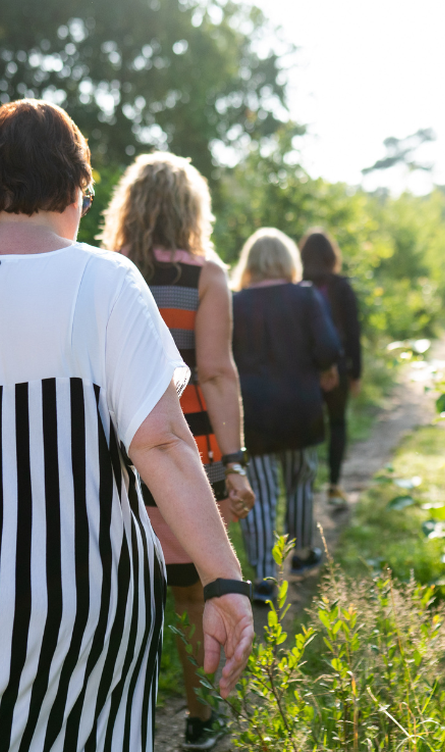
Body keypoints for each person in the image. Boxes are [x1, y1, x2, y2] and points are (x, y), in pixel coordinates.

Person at [0, 100, 254, 752]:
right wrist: (224, 581)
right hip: (90, 594)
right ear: (74, 185)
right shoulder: (106, 279)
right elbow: (161, 442)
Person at [100, 151, 254, 750]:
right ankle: (199, 719)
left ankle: (116, 724)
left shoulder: (105, 270)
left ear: (130, 206)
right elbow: (214, 372)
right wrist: (235, 464)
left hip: (115, 456)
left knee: (120, 597)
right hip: (190, 456)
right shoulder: (206, 277)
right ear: (192, 209)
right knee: (193, 597)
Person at [231, 228, 342, 604]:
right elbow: (327, 347)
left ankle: (264, 578)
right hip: (300, 409)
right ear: (287, 260)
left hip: (253, 413)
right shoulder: (306, 296)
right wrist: (326, 368)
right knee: (300, 485)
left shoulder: (235, 302)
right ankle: (302, 554)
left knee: (260, 495)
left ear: (250, 263)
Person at [300, 228, 362, 507]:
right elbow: (353, 332)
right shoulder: (341, 286)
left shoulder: (297, 286)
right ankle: (335, 486)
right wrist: (355, 372)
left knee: (308, 429)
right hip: (337, 365)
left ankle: (304, 489)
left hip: (305, 368)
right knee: (337, 424)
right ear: (331, 255)